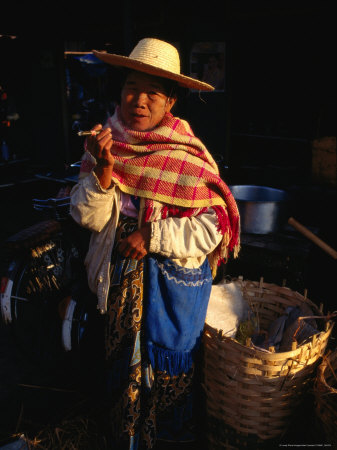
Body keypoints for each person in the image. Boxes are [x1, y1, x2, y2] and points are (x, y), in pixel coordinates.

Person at [70, 38, 240, 449]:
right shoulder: (104, 142)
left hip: (172, 291)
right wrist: (105, 174)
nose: (139, 101)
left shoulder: (188, 158)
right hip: (118, 288)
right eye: (131, 88)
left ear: (171, 103)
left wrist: (152, 234)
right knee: (120, 370)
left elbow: (211, 228)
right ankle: (124, 436)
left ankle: (168, 440)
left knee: (168, 379)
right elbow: (86, 216)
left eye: (153, 93)